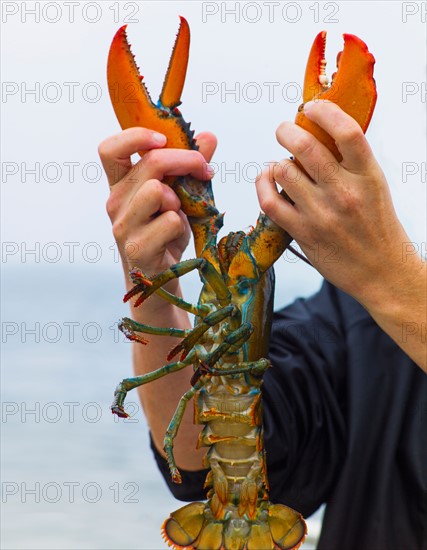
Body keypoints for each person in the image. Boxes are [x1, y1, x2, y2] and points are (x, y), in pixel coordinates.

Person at [99, 101, 427, 549]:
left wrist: (392, 278)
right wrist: (154, 286)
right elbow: (195, 465)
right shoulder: (358, 323)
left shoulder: (379, 298)